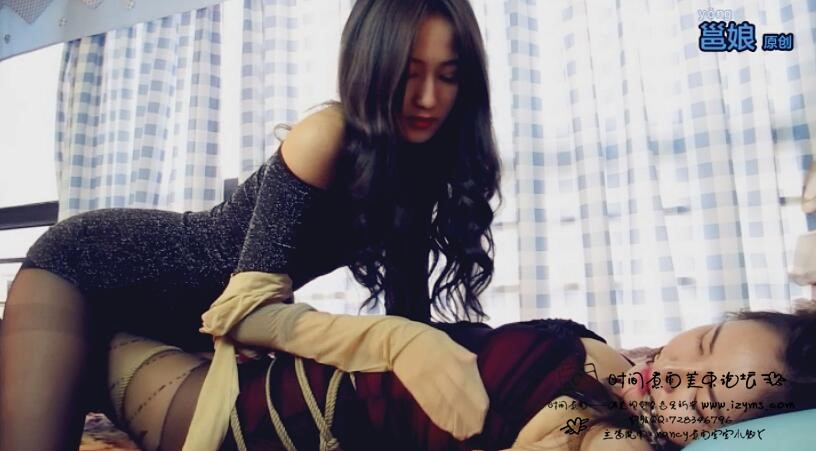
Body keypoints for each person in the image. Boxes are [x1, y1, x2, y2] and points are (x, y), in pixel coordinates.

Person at [0, 1, 501, 449]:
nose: (429, 98)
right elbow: (245, 310)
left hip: (180, 323)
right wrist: (390, 341)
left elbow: (409, 317)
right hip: (80, 267)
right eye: (410, 74)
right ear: (372, 68)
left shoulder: (418, 169)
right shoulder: (325, 135)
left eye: (448, 76)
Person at [104, 301, 816, 451]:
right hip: (258, 370)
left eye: (705, 395)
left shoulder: (608, 438)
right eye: (706, 341)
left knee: (73, 296)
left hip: (237, 419)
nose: (678, 369)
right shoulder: (627, 370)